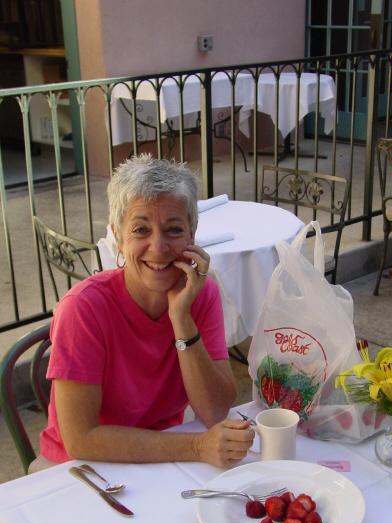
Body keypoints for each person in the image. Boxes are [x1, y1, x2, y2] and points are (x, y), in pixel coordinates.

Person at [33, 154, 254, 471]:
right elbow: (80, 439)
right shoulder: (83, 307)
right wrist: (195, 446)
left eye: (174, 229)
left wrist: (181, 318)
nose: (159, 247)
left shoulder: (201, 294)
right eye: (140, 230)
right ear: (118, 239)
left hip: (160, 458)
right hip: (79, 469)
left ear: (192, 234)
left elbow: (216, 411)